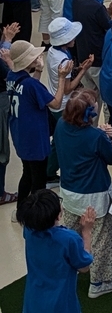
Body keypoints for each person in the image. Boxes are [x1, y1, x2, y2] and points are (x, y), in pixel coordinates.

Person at [54, 90, 112, 298]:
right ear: (88, 113)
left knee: (71, 234)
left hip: (69, 193)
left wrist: (99, 133)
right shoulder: (96, 136)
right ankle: (98, 282)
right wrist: (106, 137)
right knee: (101, 238)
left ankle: (69, 270)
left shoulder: (60, 125)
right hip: (94, 196)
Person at [10, 39, 71, 211]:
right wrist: (61, 77)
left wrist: (38, 70)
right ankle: (37, 214)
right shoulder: (31, 85)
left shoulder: (13, 77)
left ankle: (21, 209)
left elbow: (31, 93)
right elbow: (56, 103)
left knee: (27, 173)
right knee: (38, 180)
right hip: (35, 139)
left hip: (20, 135)